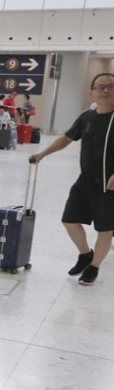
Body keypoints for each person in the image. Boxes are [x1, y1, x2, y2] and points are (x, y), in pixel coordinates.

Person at [29, 73, 114, 285]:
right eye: (100, 87)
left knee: (105, 229)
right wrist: (41, 154)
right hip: (85, 181)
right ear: (92, 91)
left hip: (109, 185)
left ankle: (94, 267)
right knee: (69, 219)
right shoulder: (87, 117)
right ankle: (85, 255)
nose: (105, 90)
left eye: (111, 86)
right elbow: (67, 138)